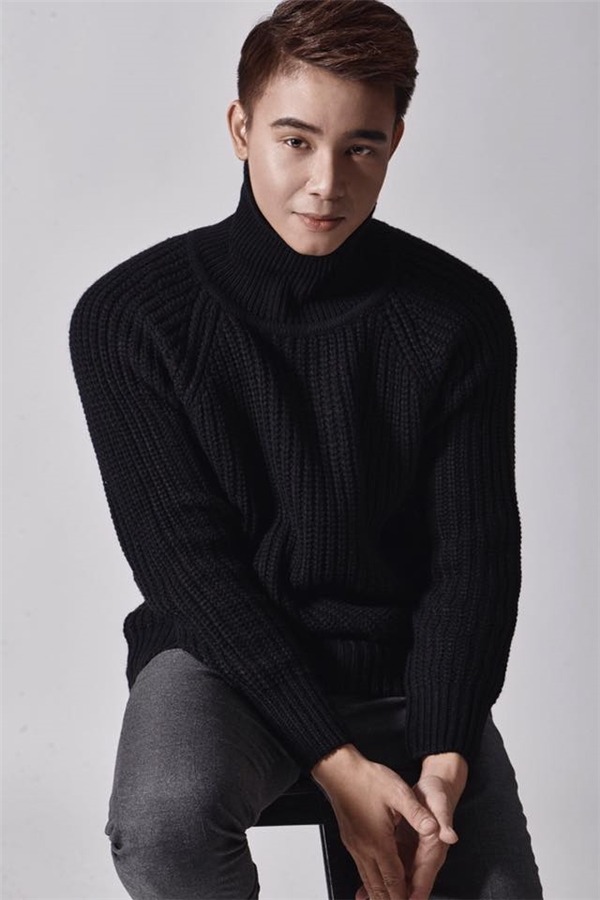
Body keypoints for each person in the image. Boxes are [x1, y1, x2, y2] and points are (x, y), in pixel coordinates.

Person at [68, 1, 545, 898]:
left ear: (395, 143)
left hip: (405, 672)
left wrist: (443, 764)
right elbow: (189, 569)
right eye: (295, 140)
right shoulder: (131, 317)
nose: (326, 182)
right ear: (240, 130)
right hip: (220, 662)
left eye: (361, 147)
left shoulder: (458, 315)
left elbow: (474, 559)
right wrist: (339, 766)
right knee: (164, 820)